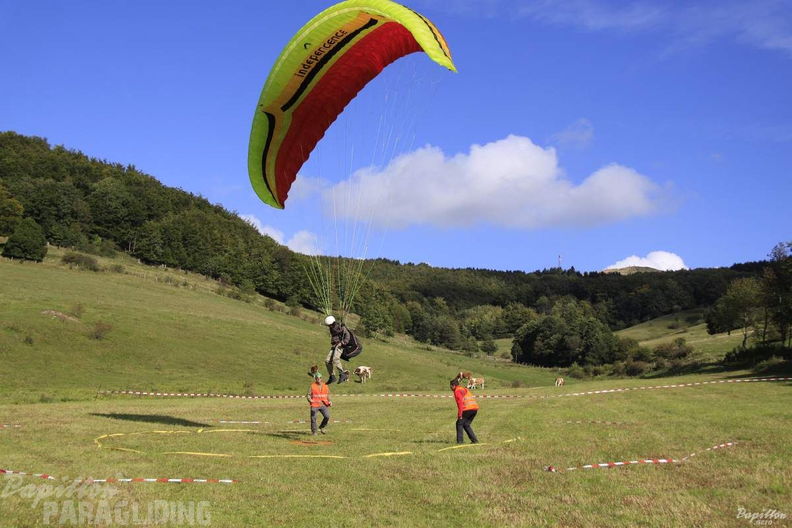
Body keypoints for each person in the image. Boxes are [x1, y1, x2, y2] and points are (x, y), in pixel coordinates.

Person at [324, 315, 362, 384]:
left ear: (332, 324)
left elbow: (348, 335)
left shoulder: (341, 327)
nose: (329, 327)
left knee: (335, 359)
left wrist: (343, 342)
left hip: (343, 344)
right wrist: (333, 344)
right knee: (327, 361)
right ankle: (332, 377)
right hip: (336, 344)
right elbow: (335, 337)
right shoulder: (332, 328)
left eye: (329, 325)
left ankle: (342, 374)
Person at [451, 377, 479, 444]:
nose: (450, 388)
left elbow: (460, 403)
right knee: (466, 424)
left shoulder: (457, 391)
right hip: (474, 408)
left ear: (453, 386)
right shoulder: (463, 388)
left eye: (451, 386)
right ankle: (474, 440)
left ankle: (460, 442)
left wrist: (460, 415)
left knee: (459, 423)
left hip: (467, 409)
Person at [306, 371, 331, 435]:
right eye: (317, 378)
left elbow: (327, 394)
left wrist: (329, 401)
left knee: (327, 416)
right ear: (315, 379)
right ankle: (314, 432)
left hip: (323, 404)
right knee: (313, 418)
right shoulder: (312, 386)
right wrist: (310, 400)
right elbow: (308, 395)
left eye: (319, 378)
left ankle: (322, 427)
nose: (318, 379)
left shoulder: (325, 385)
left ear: (321, 378)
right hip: (315, 405)